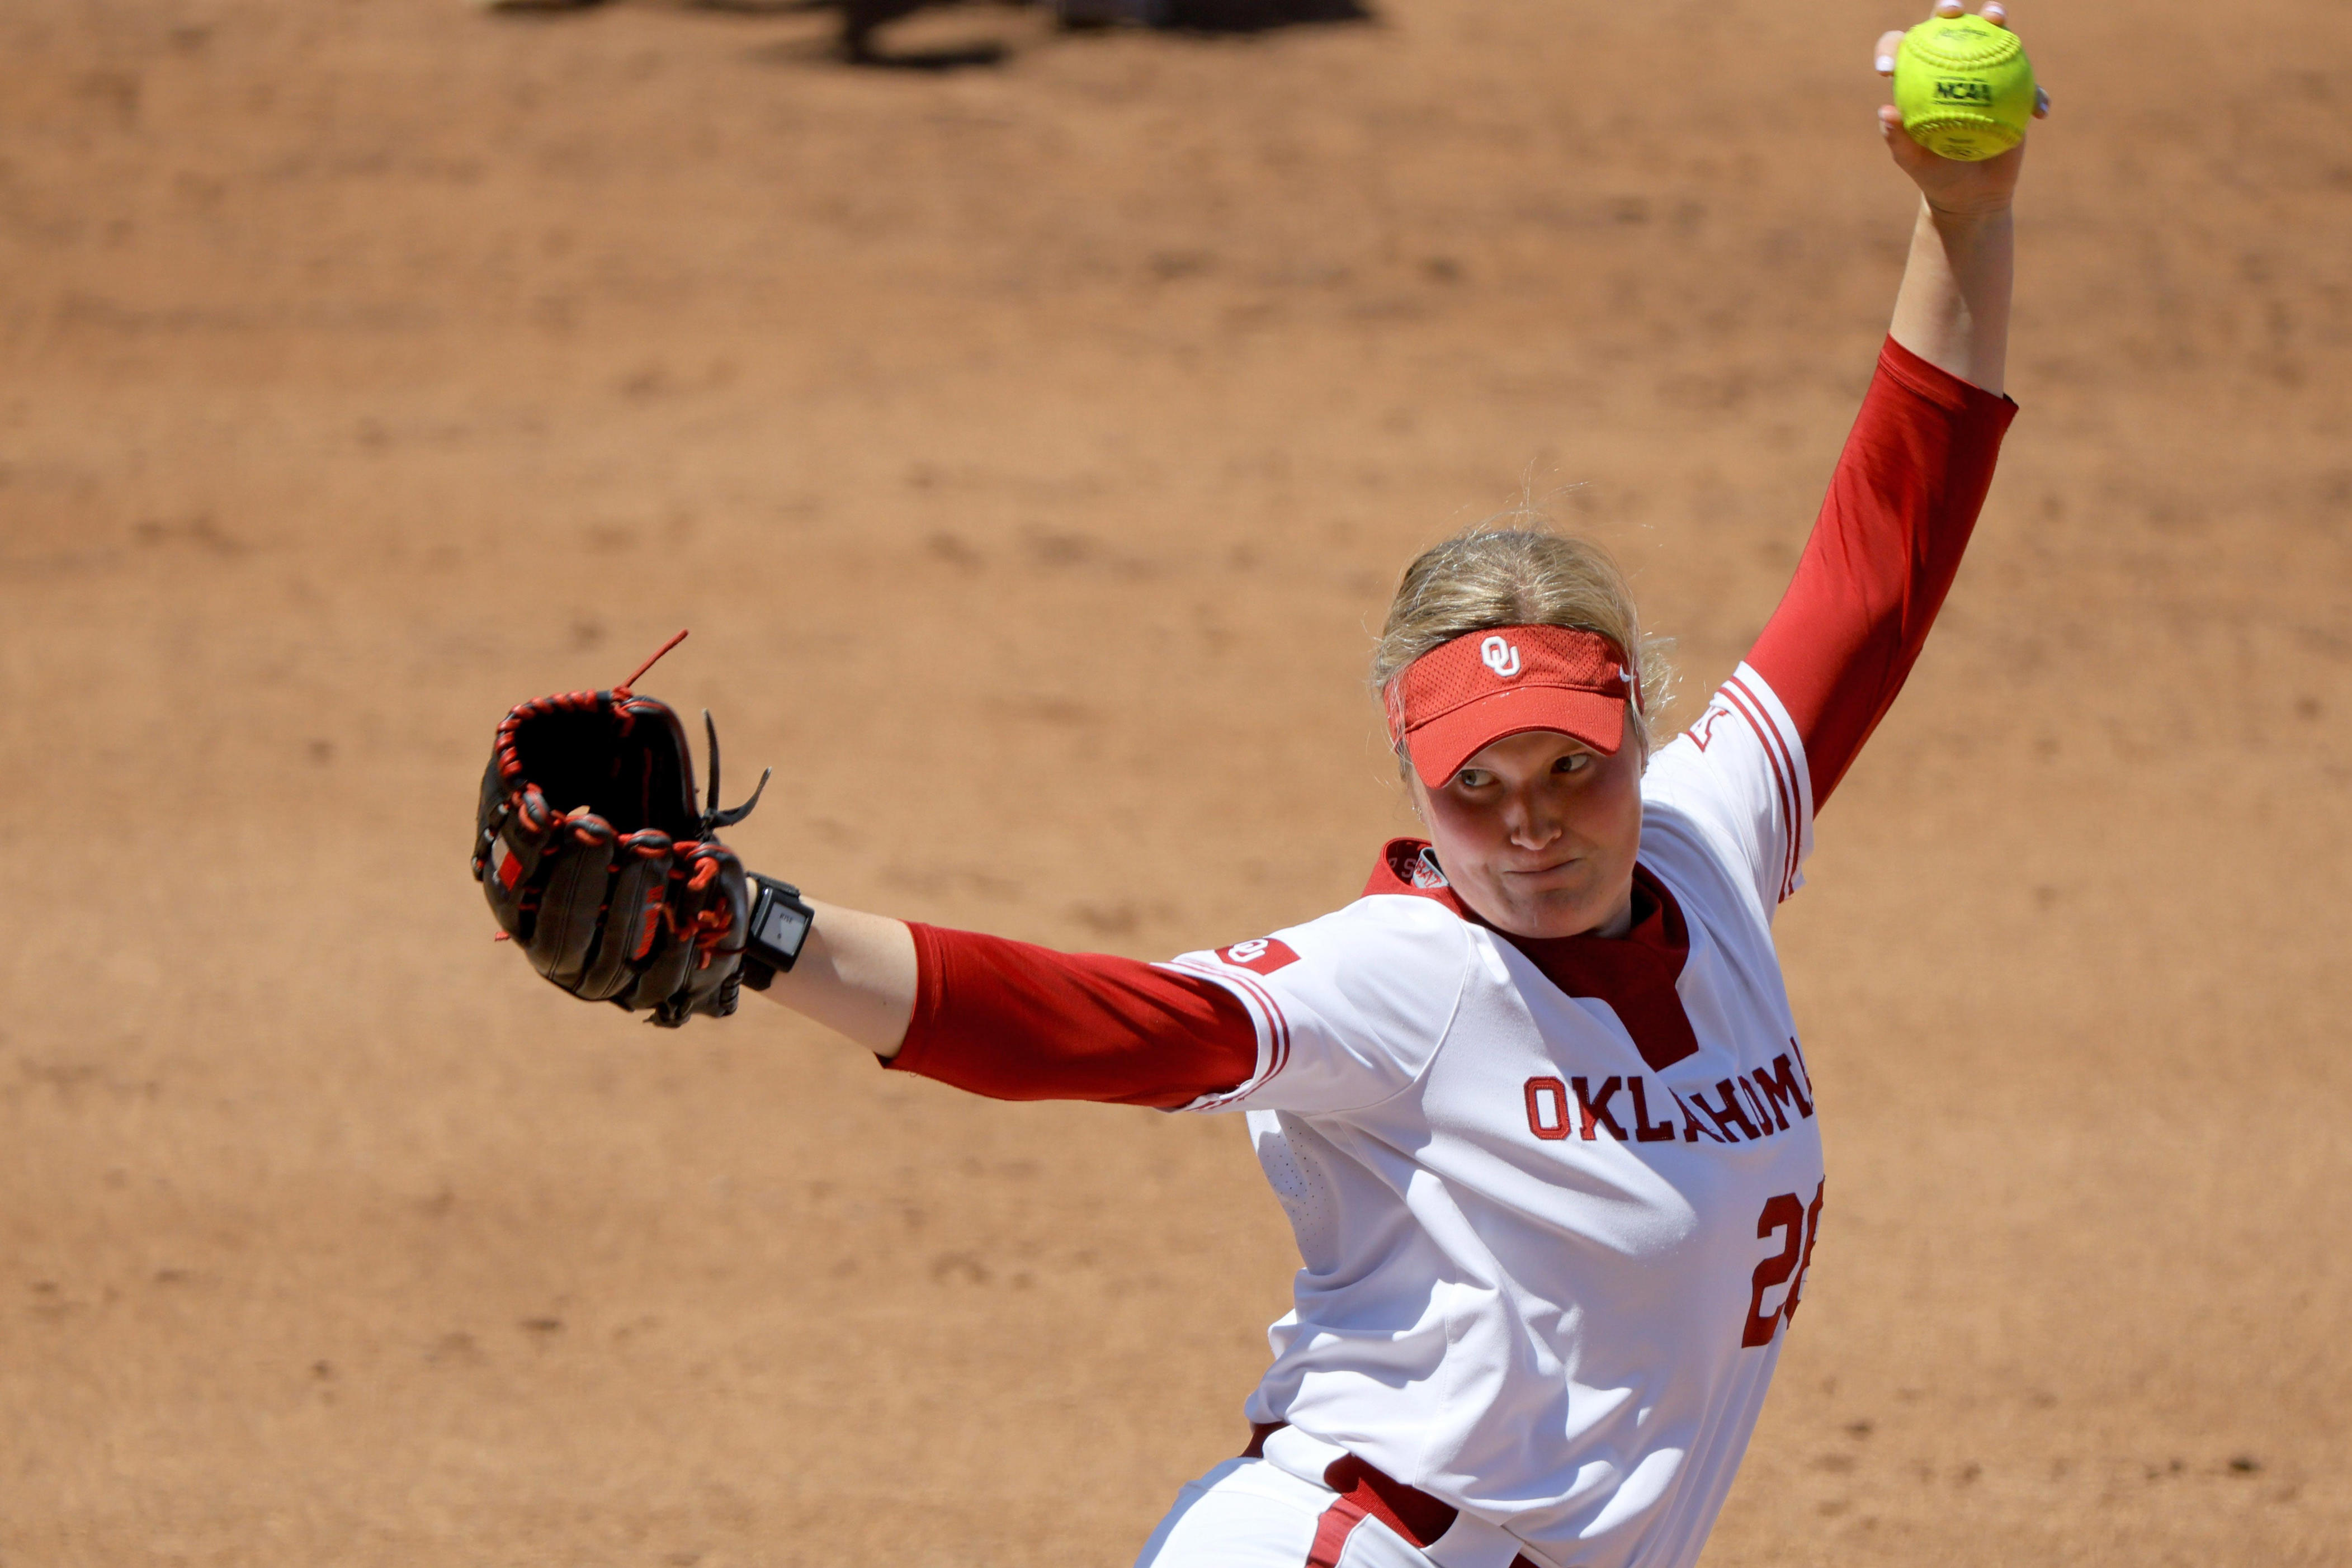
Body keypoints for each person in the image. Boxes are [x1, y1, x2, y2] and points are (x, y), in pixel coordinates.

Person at [738, 7, 2032, 1564]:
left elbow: (1880, 567)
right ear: (1414, 778)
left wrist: (1964, 214)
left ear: (1641, 732)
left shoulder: (1708, 840)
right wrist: (762, 930)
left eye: (1573, 763)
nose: (1532, 819)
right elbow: (1096, 1027)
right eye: (1476, 784)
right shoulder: (1403, 979)